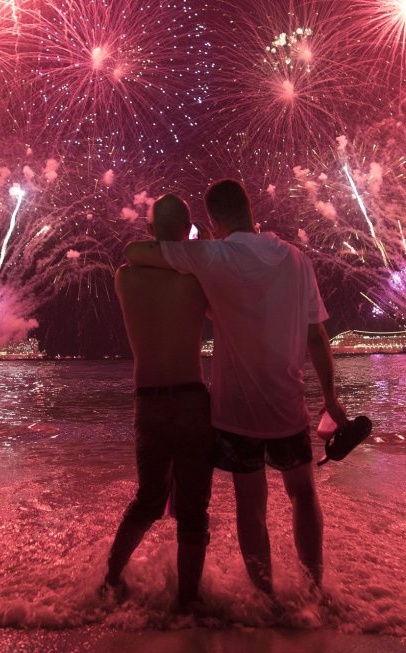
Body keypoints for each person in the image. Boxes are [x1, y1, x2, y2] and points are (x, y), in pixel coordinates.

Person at [124, 179, 347, 597]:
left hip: (237, 412)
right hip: (289, 405)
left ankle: (267, 599)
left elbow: (137, 253)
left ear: (213, 220)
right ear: (249, 208)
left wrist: (203, 244)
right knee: (303, 494)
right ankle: (315, 591)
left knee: (252, 505)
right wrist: (331, 400)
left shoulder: (214, 256)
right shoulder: (296, 259)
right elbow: (317, 337)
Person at [104, 193, 215, 610]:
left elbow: (139, 254)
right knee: (192, 511)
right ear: (186, 232)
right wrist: (193, 246)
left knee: (148, 500)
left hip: (147, 401)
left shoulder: (125, 278)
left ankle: (109, 580)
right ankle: (188, 604)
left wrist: (162, 242)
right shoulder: (197, 278)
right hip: (191, 398)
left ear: (149, 231)